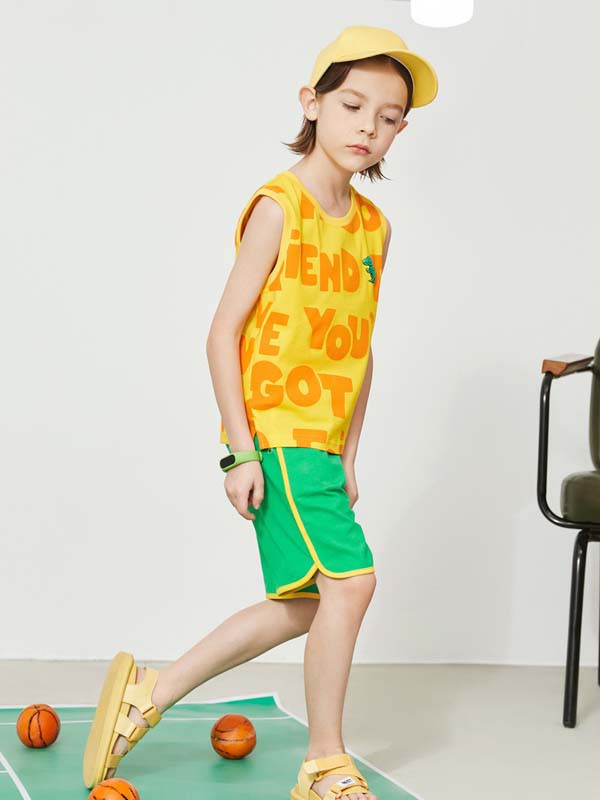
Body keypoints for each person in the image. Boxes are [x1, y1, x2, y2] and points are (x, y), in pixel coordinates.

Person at [83, 24, 438, 800]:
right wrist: (240, 452)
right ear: (312, 103)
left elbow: (359, 349)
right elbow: (223, 333)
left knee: (306, 603)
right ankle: (324, 761)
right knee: (353, 584)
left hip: (322, 445)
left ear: (401, 131)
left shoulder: (375, 229)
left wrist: (348, 455)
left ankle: (150, 694)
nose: (367, 127)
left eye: (387, 117)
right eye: (352, 105)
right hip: (277, 433)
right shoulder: (279, 208)